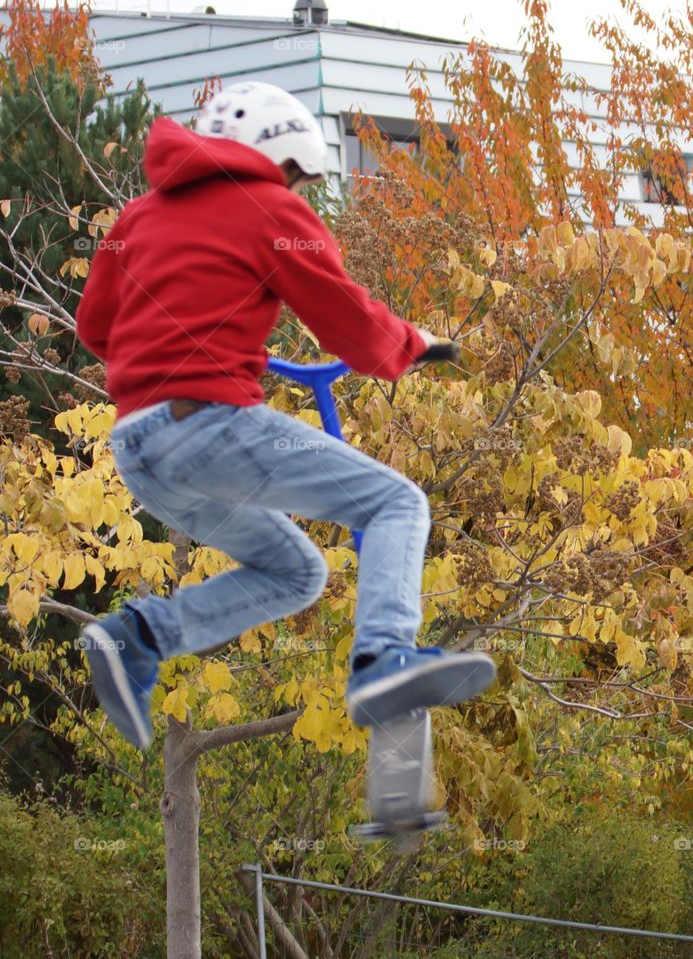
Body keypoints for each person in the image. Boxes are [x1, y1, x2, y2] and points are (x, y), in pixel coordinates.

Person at [76, 81, 495, 750]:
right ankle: (383, 657)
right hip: (210, 427)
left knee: (297, 573)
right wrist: (410, 346)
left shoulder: (138, 218)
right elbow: (347, 320)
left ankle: (139, 634)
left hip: (139, 449)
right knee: (396, 504)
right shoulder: (266, 206)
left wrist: (201, 336)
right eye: (298, 178)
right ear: (280, 157)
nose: (296, 191)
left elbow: (98, 325)